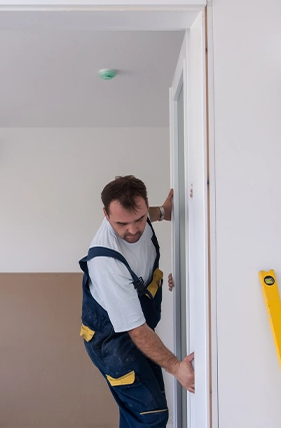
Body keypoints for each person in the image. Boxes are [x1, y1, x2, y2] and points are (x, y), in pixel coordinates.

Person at [78, 175, 195, 428]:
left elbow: (146, 215)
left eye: (139, 219)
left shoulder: (139, 218)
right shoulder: (106, 260)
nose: (133, 230)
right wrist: (176, 367)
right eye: (122, 223)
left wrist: (164, 212)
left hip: (136, 329)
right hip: (112, 342)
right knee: (149, 416)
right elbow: (136, 329)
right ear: (106, 215)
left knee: (142, 414)